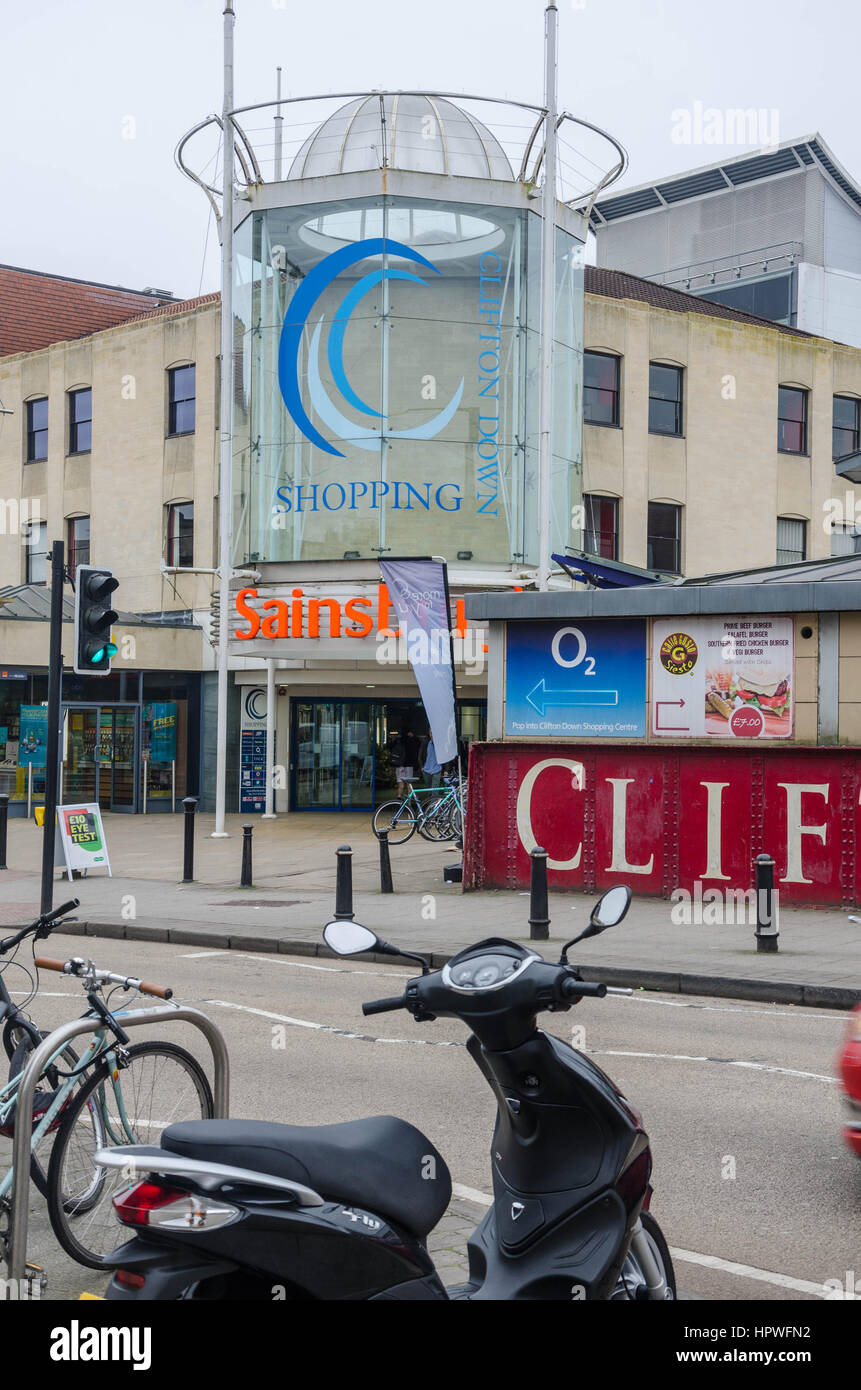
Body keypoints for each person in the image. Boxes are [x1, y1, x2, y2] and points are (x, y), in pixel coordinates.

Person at [390, 729, 414, 798]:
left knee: (401, 785)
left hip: (399, 765)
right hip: (409, 765)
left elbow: (391, 749)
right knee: (409, 784)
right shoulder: (411, 740)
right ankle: (409, 802)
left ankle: (399, 799)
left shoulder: (398, 740)